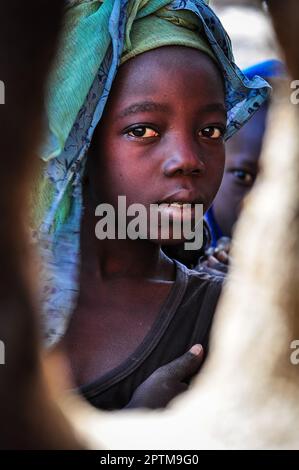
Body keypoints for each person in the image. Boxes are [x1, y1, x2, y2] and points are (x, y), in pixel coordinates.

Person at [35, 0, 269, 410]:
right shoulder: (15, 301)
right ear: (81, 143)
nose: (188, 159)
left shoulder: (232, 320)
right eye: (143, 130)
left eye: (210, 131)